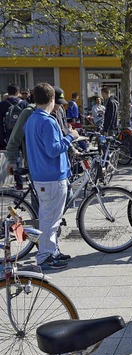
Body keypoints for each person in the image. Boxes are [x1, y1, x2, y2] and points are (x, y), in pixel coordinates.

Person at [23, 83, 79, 269]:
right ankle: (46, 255)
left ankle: (51, 251)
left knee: (48, 217)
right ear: (52, 99)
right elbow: (54, 150)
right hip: (53, 176)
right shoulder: (48, 121)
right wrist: (71, 136)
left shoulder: (31, 119)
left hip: (41, 175)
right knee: (51, 219)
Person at [0, 84, 28, 149]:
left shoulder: (2, 104)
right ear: (17, 92)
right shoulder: (24, 103)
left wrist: (2, 138)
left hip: (8, 134)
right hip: (22, 134)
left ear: (8, 92)